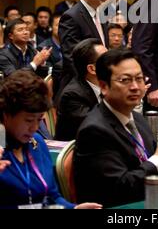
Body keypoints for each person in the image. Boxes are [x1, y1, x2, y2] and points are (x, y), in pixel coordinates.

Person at [74, 49, 158, 208]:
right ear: (103, 86)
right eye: (125, 80)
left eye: (139, 79)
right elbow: (122, 189)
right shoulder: (94, 130)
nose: (135, 87)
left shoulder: (138, 119)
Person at [0, 70, 102, 209]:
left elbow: (52, 197)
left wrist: (73, 208)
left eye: (40, 120)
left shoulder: (37, 142)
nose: (35, 128)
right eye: (29, 120)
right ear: (6, 115)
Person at [59, 0, 109, 87]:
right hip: (82, 86)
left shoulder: (101, 14)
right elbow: (71, 57)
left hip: (100, 81)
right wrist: (91, 84)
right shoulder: (71, 17)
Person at [55, 38, 107, 141]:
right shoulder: (72, 95)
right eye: (106, 59)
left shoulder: (107, 85)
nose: (114, 63)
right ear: (92, 69)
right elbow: (98, 126)